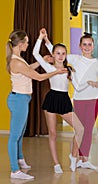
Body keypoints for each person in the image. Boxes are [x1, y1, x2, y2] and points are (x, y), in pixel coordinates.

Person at [6, 30, 66, 180]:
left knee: (20, 133)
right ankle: (15, 170)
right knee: (14, 136)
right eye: (26, 42)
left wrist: (41, 61)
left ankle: (20, 159)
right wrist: (55, 72)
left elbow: (28, 69)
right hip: (19, 100)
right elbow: (38, 77)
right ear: (20, 44)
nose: (28, 44)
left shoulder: (18, 59)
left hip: (21, 99)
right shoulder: (16, 62)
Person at [43, 30, 98, 170]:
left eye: (90, 44)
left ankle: (84, 159)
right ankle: (75, 156)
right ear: (80, 46)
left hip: (93, 99)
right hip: (79, 99)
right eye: (84, 44)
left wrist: (96, 84)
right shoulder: (74, 59)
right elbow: (57, 53)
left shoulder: (97, 63)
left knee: (88, 129)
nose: (87, 47)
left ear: (93, 46)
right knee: (80, 129)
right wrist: (46, 40)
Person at [33, 29, 84, 174]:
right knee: (53, 133)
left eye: (63, 53)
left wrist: (91, 84)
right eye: (58, 53)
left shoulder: (69, 70)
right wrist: (41, 38)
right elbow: (35, 54)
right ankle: (56, 163)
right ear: (53, 55)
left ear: (66, 55)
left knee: (80, 129)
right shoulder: (49, 67)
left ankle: (73, 155)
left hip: (64, 100)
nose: (61, 56)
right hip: (52, 99)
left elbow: (78, 87)